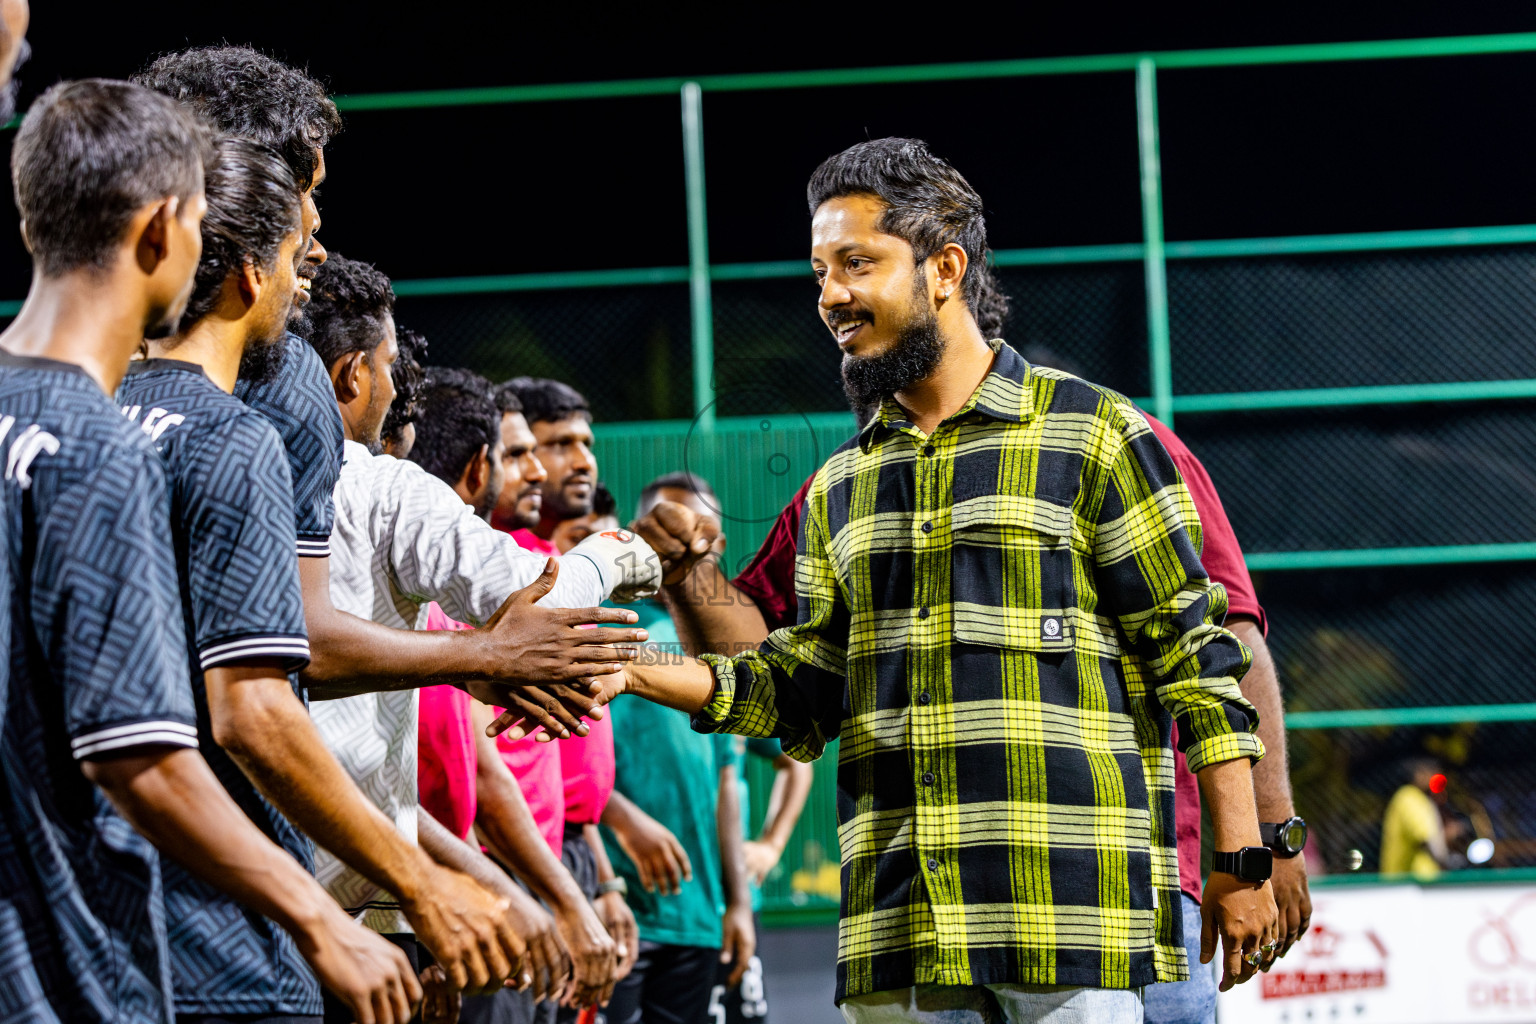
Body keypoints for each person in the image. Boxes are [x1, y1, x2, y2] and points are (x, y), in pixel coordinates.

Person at [601, 138, 1281, 1022]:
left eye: (857, 264)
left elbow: (1199, 658)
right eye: (819, 273)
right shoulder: (840, 487)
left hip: (1066, 928)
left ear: (945, 267)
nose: (831, 297)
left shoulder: (1095, 435)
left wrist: (1247, 855)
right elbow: (800, 695)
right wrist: (626, 668)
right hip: (900, 946)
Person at [0, 78, 415, 1024]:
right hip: (73, 968)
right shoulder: (98, 447)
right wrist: (324, 919)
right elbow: (141, 757)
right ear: (162, 235)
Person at [135, 45, 635, 744]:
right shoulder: (280, 385)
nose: (314, 230)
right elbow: (287, 655)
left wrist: (457, 665)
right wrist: (495, 644)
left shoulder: (96, 371)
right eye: (304, 193)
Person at [118, 133, 431, 1024]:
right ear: (253, 275)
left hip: (99, 924)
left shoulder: (76, 417)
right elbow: (249, 713)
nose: (310, 274)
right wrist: (413, 886)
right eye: (297, 252)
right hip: (224, 937)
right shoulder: (237, 435)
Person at [407, 367, 637, 1024]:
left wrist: (592, 879)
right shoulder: (468, 590)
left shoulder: (521, 575)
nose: (539, 469)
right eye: (525, 451)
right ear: (480, 468)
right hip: (476, 877)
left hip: (528, 865)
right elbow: (475, 771)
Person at [497, 378, 645, 1024]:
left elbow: (563, 761)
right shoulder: (499, 575)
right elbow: (472, 759)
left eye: (584, 442)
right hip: (506, 859)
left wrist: (602, 878)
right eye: (558, 444)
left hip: (564, 846)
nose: (581, 460)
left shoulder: (562, 572)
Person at [599, 473, 755, 1024]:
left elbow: (728, 782)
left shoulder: (725, 648)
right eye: (668, 530)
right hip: (615, 905)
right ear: (638, 536)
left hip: (696, 912)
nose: (684, 544)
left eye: (698, 532)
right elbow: (561, 763)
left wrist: (736, 903)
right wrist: (618, 834)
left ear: (719, 541)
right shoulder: (606, 623)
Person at [1380, 759, 1450, 879]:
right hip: (1415, 881)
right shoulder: (1410, 797)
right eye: (1432, 774)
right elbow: (1425, 838)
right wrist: (1444, 864)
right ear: (1419, 774)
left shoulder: (1409, 797)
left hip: (1406, 880)